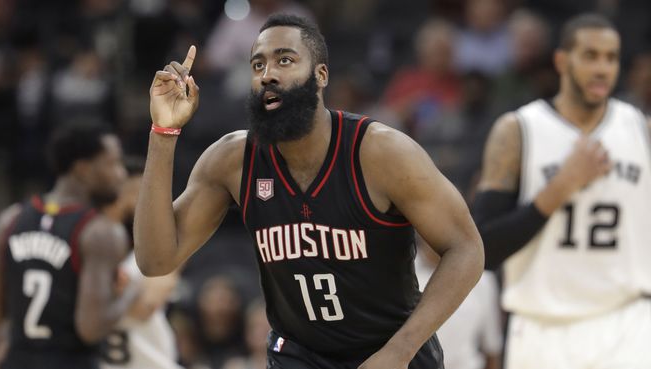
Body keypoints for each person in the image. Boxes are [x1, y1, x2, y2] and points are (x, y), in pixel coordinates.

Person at [135, 14, 484, 369]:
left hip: (391, 351)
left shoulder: (381, 153)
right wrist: (163, 132)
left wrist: (400, 349)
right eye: (258, 64)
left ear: (321, 75)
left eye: (284, 60)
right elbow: (155, 260)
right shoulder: (232, 160)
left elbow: (466, 248)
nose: (268, 73)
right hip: (298, 355)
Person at [473, 13, 651, 369]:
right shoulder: (518, 131)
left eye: (611, 58)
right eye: (590, 55)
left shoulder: (641, 130)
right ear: (561, 60)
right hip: (540, 328)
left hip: (627, 323)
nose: (602, 68)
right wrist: (560, 188)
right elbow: (483, 252)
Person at [0, 123, 139, 369]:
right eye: (113, 163)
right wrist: (132, 291)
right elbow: (91, 328)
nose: (121, 174)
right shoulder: (101, 232)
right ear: (83, 169)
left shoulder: (10, 219)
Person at [99, 162, 181, 369]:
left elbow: (146, 305)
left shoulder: (157, 251)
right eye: (137, 193)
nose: (142, 202)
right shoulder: (92, 249)